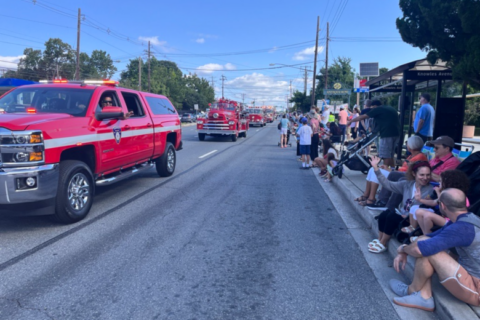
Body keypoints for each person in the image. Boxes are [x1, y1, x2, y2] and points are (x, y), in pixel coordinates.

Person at [389, 188, 480, 312]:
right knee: (426, 243)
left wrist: (403, 249)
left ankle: (411, 290)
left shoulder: (462, 227)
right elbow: (428, 238)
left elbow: (419, 249)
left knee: (425, 248)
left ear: (442, 205)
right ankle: (424, 296)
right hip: (471, 276)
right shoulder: (467, 219)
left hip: (476, 288)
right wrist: (404, 250)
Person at [372, 135, 460, 212]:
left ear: (447, 149)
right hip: (421, 180)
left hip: (430, 185)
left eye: (437, 148)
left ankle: (391, 207)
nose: (434, 149)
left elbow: (442, 179)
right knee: (394, 175)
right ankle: (383, 201)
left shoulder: (453, 162)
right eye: (434, 147)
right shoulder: (435, 159)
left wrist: (423, 172)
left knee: (404, 181)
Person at [367, 158, 433, 254]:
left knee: (391, 217)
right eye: (422, 175)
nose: (425, 178)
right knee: (384, 215)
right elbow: (388, 184)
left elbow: (423, 209)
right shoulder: (407, 184)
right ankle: (379, 239)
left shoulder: (430, 190)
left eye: (428, 175)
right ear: (414, 174)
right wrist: (376, 169)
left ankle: (383, 242)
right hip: (402, 215)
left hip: (413, 221)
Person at [356, 135, 427, 207]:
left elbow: (409, 171)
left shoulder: (419, 157)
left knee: (375, 171)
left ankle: (371, 199)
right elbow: (403, 168)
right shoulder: (412, 155)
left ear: (412, 145)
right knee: (372, 169)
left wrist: (390, 170)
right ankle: (366, 195)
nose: (406, 145)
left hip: (405, 176)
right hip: (399, 173)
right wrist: (390, 169)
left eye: (407, 143)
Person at [413, 170, 470, 237]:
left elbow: (442, 201)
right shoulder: (446, 192)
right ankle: (425, 234)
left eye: (440, 181)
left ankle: (428, 238)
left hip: (454, 222)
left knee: (428, 215)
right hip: (445, 219)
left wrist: (438, 192)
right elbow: (434, 202)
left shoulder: (459, 196)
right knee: (418, 212)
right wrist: (420, 199)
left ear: (448, 183)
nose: (438, 182)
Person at [347, 100, 401, 168]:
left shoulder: (378, 109)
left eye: (372, 108)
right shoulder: (390, 108)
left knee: (385, 155)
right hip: (396, 134)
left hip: (386, 134)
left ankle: (386, 172)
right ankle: (393, 170)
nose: (371, 110)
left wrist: (350, 121)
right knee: (391, 155)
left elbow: (362, 117)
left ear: (375, 106)